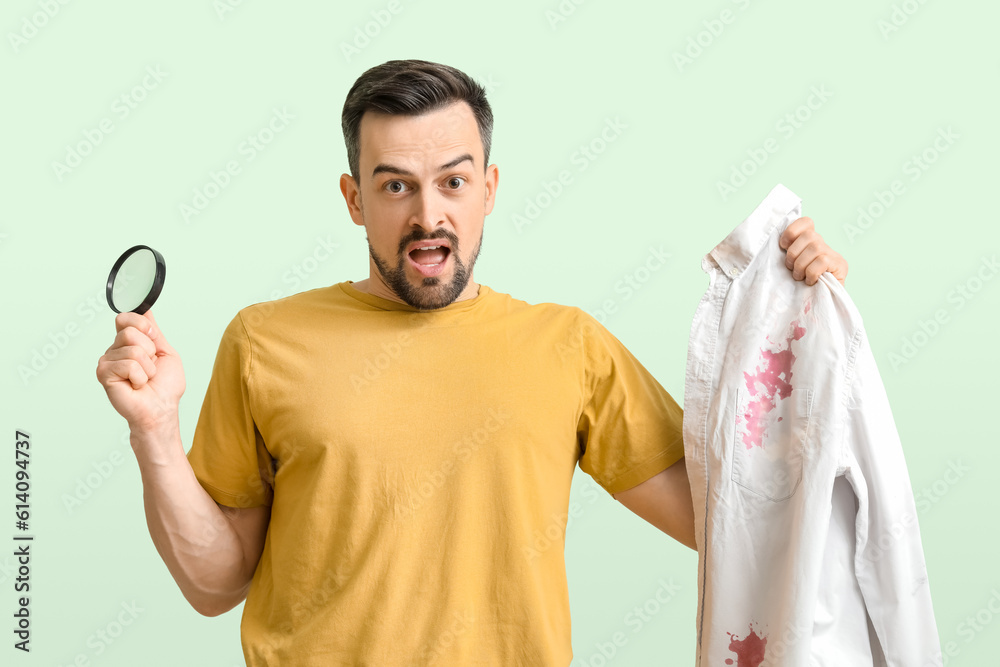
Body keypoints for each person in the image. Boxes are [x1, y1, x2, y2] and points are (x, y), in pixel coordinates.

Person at [95, 59, 848, 666]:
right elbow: (214, 582)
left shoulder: (569, 346)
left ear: (488, 190)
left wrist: (805, 328)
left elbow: (730, 519)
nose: (429, 215)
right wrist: (155, 433)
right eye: (396, 186)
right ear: (354, 199)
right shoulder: (264, 340)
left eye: (453, 182)